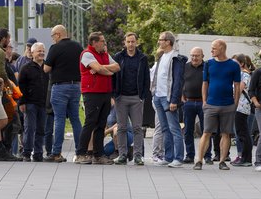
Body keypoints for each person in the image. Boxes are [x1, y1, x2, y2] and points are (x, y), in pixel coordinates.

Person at [193, 39, 241, 171]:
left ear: (222, 48)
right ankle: (199, 160)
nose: (211, 50)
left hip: (228, 104)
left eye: (214, 48)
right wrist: (204, 101)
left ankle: (222, 161)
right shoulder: (208, 64)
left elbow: (237, 86)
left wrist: (235, 103)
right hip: (211, 104)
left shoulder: (233, 65)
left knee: (226, 133)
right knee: (206, 132)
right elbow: (205, 83)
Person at [74, 32, 120, 165]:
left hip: (105, 92)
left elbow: (116, 67)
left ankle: (98, 154)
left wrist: (102, 69)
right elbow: (99, 69)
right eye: (102, 41)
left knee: (101, 124)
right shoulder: (87, 54)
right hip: (92, 93)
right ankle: (81, 153)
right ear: (94, 42)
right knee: (90, 122)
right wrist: (104, 70)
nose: (104, 43)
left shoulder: (105, 55)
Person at [43, 25, 84, 163]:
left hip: (60, 87)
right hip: (76, 87)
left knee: (59, 119)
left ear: (58, 34)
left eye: (53, 36)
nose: (53, 39)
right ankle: (80, 152)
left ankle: (56, 153)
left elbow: (46, 68)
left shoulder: (55, 48)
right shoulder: (78, 47)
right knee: (75, 119)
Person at [112, 32, 150, 165]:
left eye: (133, 41)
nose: (130, 44)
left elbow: (146, 78)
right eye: (128, 42)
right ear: (125, 43)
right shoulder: (118, 57)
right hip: (121, 97)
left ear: (136, 42)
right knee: (121, 128)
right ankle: (122, 155)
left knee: (137, 128)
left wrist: (143, 96)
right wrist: (114, 94)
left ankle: (138, 156)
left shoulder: (142, 58)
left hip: (136, 98)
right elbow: (113, 76)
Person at [150, 31, 187, 168]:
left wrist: (174, 100)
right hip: (158, 97)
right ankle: (168, 156)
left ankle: (178, 158)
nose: (159, 42)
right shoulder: (162, 57)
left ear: (168, 42)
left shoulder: (176, 58)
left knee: (174, 128)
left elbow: (178, 81)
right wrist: (154, 95)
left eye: (161, 39)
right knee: (164, 128)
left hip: (168, 98)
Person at [18, 42, 49, 162]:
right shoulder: (26, 68)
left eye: (43, 51)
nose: (41, 53)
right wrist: (22, 102)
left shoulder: (47, 67)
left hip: (43, 103)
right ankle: (26, 152)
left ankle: (38, 153)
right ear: (32, 53)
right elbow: (21, 86)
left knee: (41, 129)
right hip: (30, 103)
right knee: (29, 128)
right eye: (39, 51)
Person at [182, 47, 212, 164]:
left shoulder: (207, 67)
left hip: (203, 102)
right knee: (188, 130)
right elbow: (180, 81)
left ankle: (207, 156)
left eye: (197, 55)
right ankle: (189, 155)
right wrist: (181, 94)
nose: (194, 58)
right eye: (192, 55)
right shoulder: (185, 67)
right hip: (188, 102)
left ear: (202, 56)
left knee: (206, 130)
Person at [232, 54, 254, 167]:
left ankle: (246, 158)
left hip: (241, 106)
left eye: (235, 63)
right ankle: (245, 158)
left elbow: (238, 90)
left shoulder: (244, 74)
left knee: (243, 133)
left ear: (241, 63)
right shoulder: (239, 74)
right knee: (242, 132)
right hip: (239, 106)